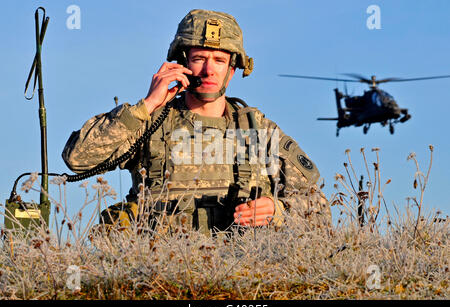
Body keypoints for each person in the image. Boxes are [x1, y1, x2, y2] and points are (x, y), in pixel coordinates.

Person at [62, 9, 331, 235]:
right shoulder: (152, 121)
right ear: (182, 63)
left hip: (241, 275)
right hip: (155, 274)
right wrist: (148, 105)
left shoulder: (257, 130)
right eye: (199, 58)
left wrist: (277, 211)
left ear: (232, 69)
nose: (209, 70)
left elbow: (320, 211)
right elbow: (78, 158)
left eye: (219, 60)